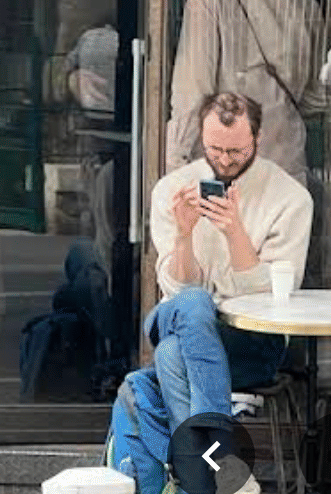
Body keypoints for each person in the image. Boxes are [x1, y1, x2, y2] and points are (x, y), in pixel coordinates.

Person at [106, 92, 313, 494]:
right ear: (202, 137)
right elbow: (174, 286)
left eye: (235, 150)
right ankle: (223, 467)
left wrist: (235, 232)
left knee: (156, 369)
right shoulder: (174, 189)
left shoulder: (290, 199)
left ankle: (199, 482)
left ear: (256, 138)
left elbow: (275, 297)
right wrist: (184, 235)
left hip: (251, 339)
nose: (224, 159)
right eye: (214, 148)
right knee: (194, 304)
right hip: (178, 320)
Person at [166, 0, 325, 189]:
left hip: (227, 169)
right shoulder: (304, 6)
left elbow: (193, 94)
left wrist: (175, 165)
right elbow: (317, 96)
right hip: (287, 168)